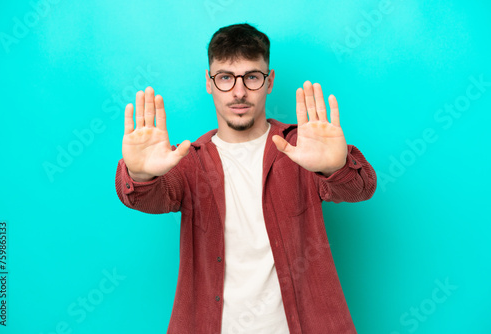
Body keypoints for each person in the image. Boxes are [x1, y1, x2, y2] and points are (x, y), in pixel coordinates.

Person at [115, 23, 376, 334]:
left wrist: (335, 167)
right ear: (209, 83)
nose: (239, 92)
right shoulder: (188, 161)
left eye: (252, 77)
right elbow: (147, 196)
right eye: (225, 77)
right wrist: (141, 174)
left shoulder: (302, 149)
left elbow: (360, 188)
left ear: (269, 81)